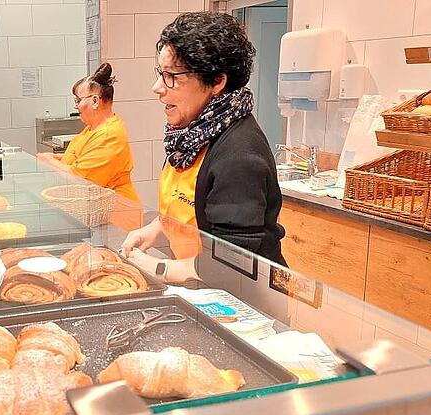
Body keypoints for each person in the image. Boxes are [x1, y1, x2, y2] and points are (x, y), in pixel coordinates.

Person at [123, 12, 286, 273]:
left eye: (172, 76)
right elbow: (187, 204)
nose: (157, 87)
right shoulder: (190, 135)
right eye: (160, 73)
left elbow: (232, 265)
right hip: (201, 285)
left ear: (217, 81)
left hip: (242, 301)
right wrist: (155, 228)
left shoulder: (240, 156)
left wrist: (157, 268)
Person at [37, 63, 141, 203]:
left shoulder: (109, 135)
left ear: (95, 101)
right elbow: (83, 157)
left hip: (117, 211)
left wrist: (49, 161)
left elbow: (81, 178)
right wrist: (57, 157)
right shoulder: (93, 128)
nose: (76, 105)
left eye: (78, 100)